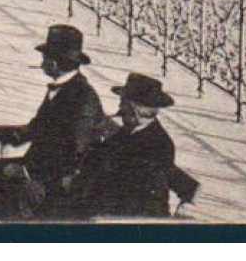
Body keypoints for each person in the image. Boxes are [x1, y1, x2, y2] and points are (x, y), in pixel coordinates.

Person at [0, 24, 106, 222]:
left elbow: (75, 151)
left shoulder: (82, 97)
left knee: (3, 177)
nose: (42, 62)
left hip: (60, 177)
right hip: (45, 165)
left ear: (54, 63)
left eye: (45, 58)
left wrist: (28, 172)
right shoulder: (64, 87)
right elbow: (40, 126)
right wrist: (11, 133)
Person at [64, 73, 180, 220]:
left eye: (123, 103)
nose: (119, 107)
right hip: (100, 209)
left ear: (137, 110)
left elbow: (136, 196)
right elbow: (98, 157)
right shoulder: (127, 132)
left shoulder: (158, 145)